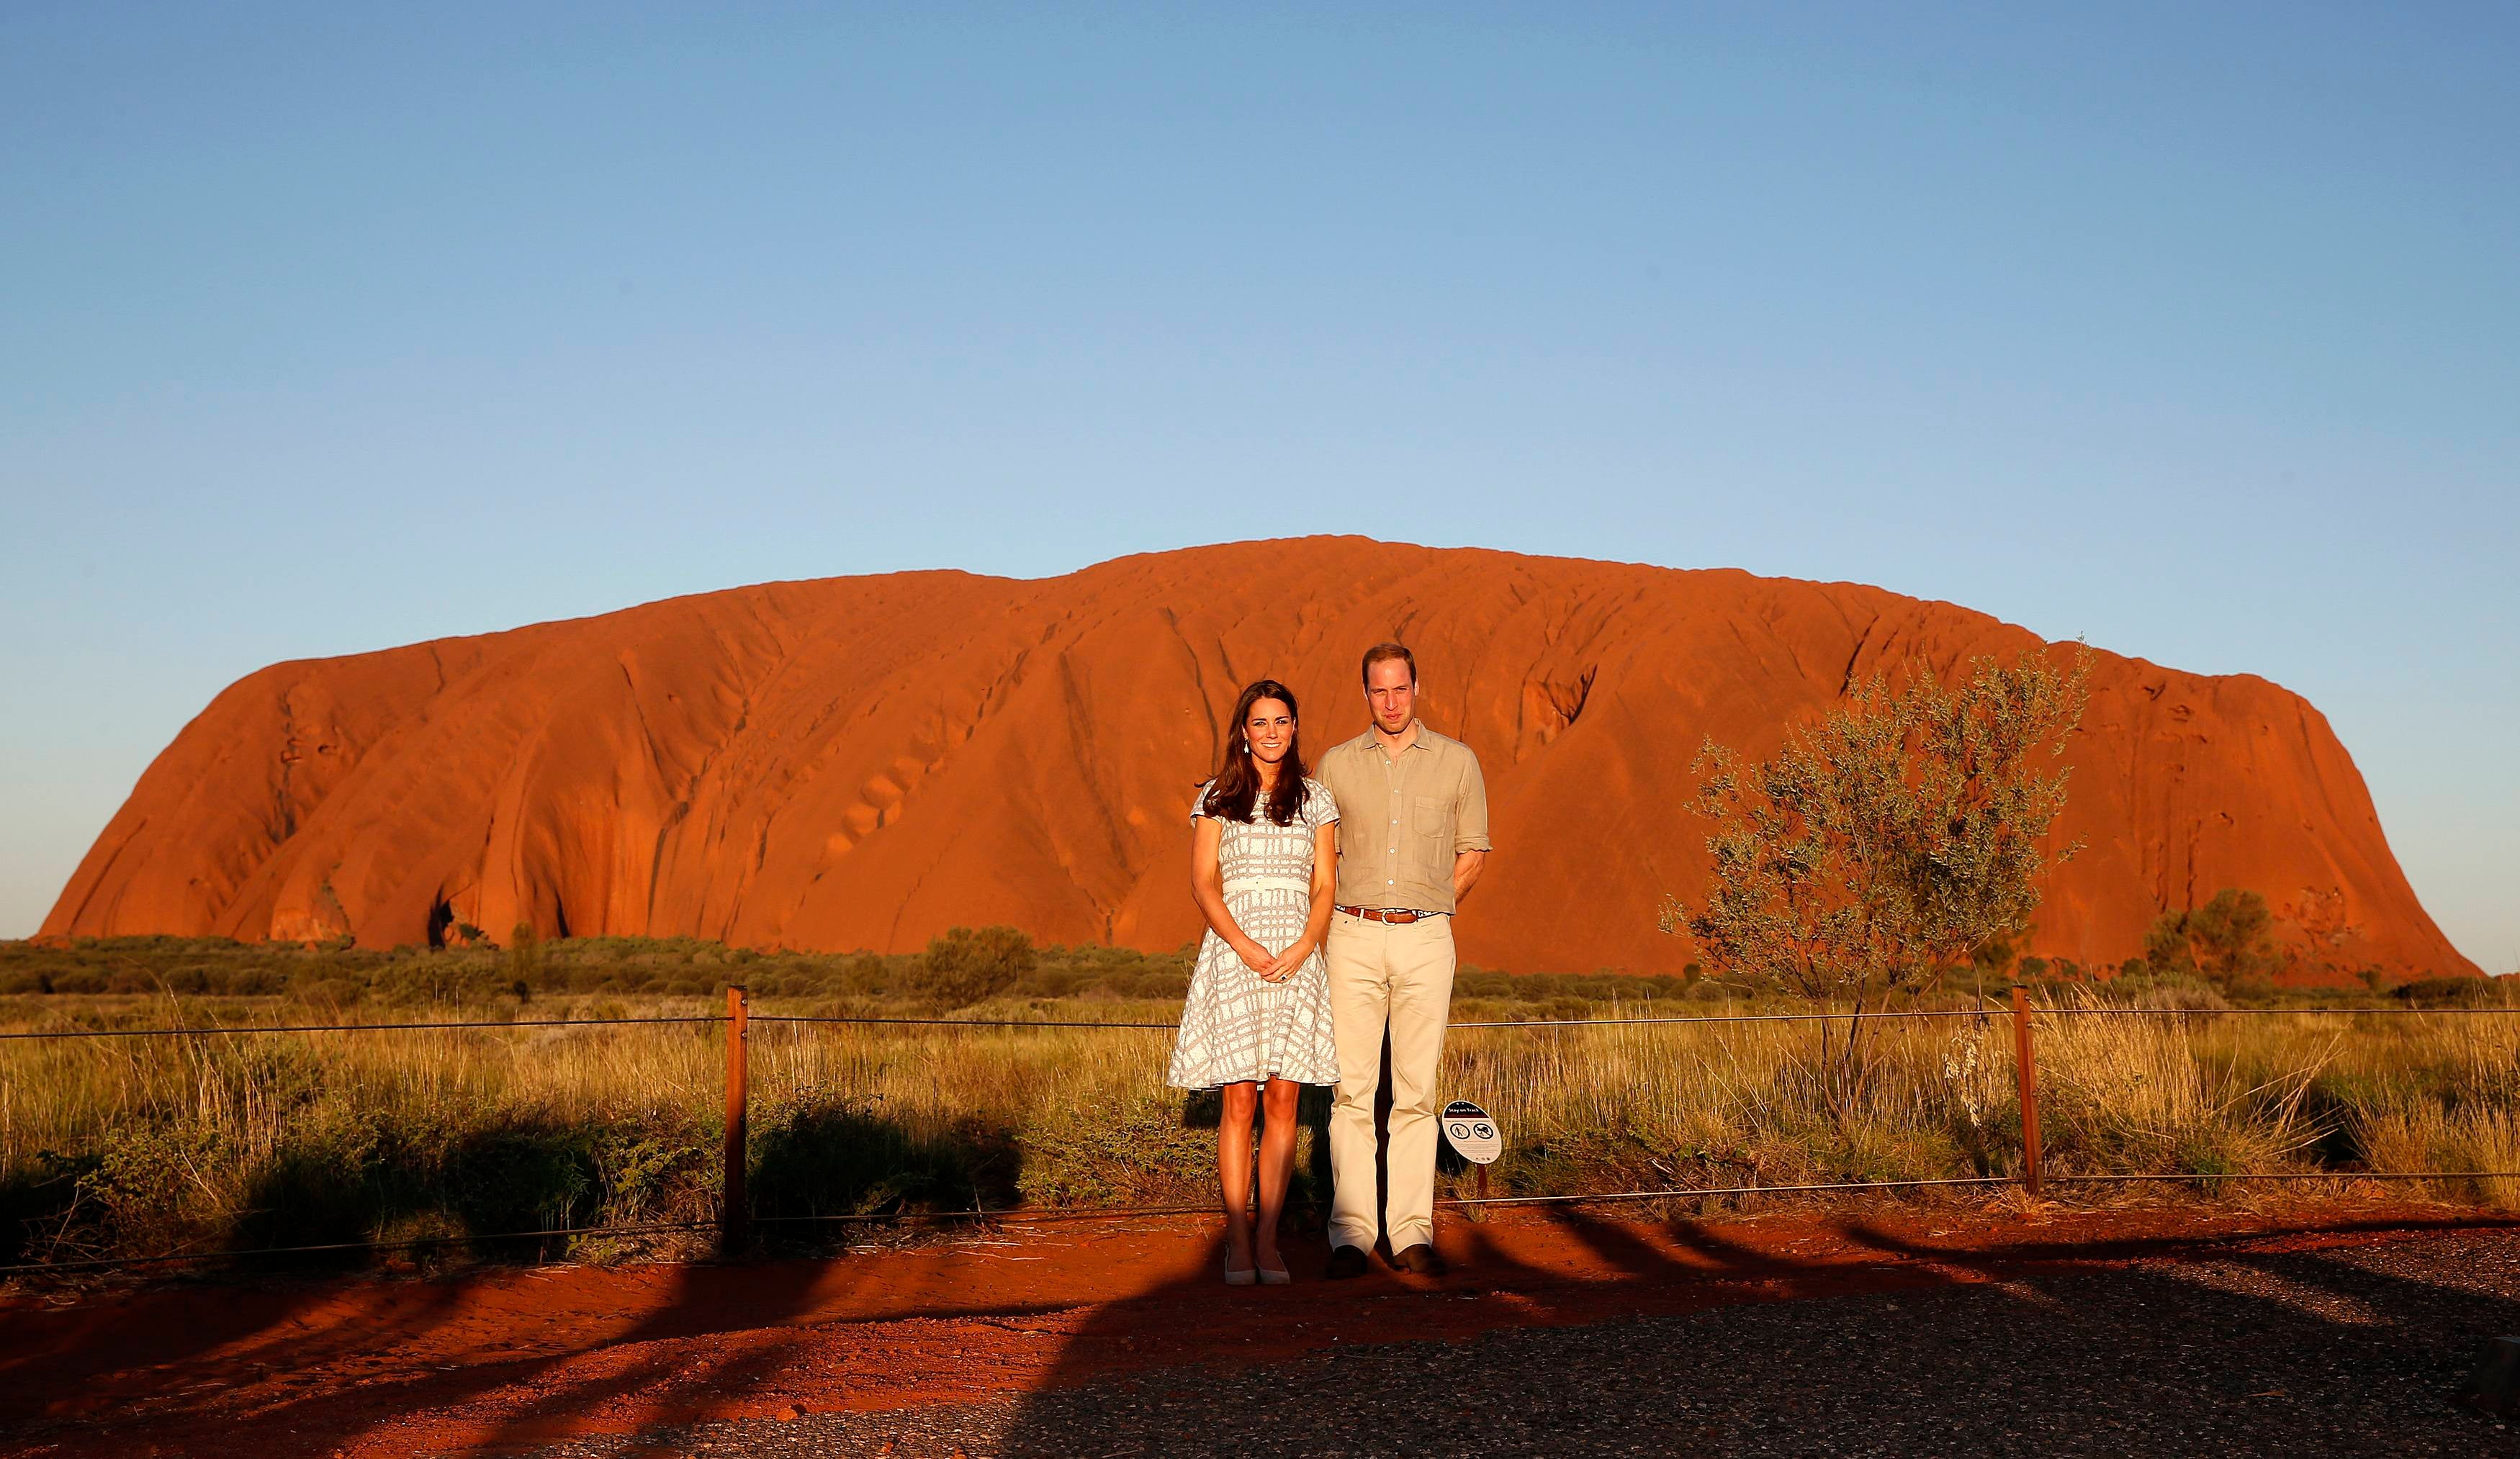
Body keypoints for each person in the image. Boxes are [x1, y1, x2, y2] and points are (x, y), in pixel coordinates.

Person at [1315, 641, 1490, 1278]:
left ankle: (1411, 1230)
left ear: (1418, 686)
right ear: (1366, 693)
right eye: (1379, 690)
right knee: (1351, 1091)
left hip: (1424, 936)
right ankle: (1352, 1234)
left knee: (1416, 1091)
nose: (1391, 702)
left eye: (1401, 688)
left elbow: (1472, 851)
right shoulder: (1336, 765)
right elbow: (1321, 858)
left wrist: (1436, 907)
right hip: (1352, 934)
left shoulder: (1457, 762)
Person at [1167, 677, 1342, 1286]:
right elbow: (1202, 882)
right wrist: (1242, 944)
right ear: (1243, 731)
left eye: (1283, 721)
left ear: (1296, 728)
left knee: (1285, 1101)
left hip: (1296, 959)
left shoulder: (1317, 799)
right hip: (1235, 957)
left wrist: (1302, 946)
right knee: (1239, 1101)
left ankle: (1269, 1240)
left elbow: (1325, 885)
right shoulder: (1218, 796)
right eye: (1261, 722)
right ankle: (1237, 1242)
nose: (1272, 733)